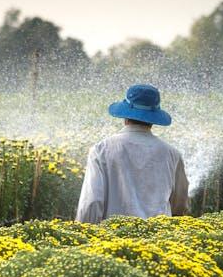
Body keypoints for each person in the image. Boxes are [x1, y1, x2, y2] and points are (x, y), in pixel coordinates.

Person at [75, 84, 189, 224]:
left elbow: (91, 203)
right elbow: (179, 204)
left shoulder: (101, 150)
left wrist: (84, 235)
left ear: (125, 116)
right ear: (153, 119)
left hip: (112, 239)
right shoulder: (172, 154)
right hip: (159, 239)